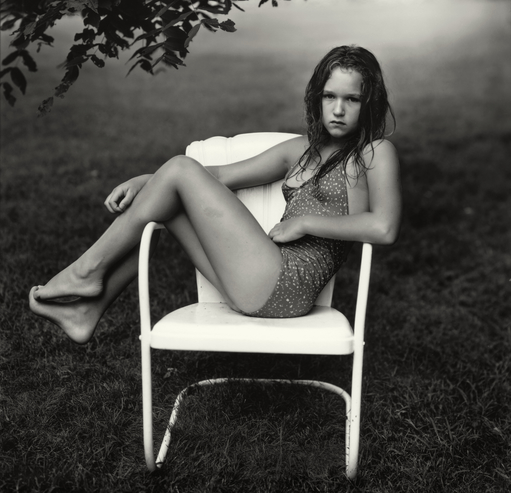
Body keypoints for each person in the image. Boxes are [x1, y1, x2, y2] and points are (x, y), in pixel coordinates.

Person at [29, 45, 401, 344]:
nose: (338, 109)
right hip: (253, 283)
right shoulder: (298, 150)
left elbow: (383, 227)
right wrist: (147, 180)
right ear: (316, 98)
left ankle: (86, 271)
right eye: (329, 96)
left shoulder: (373, 152)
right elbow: (220, 176)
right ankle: (87, 311)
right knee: (168, 202)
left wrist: (304, 222)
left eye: (351, 99)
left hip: (286, 284)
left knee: (178, 169)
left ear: (368, 103)